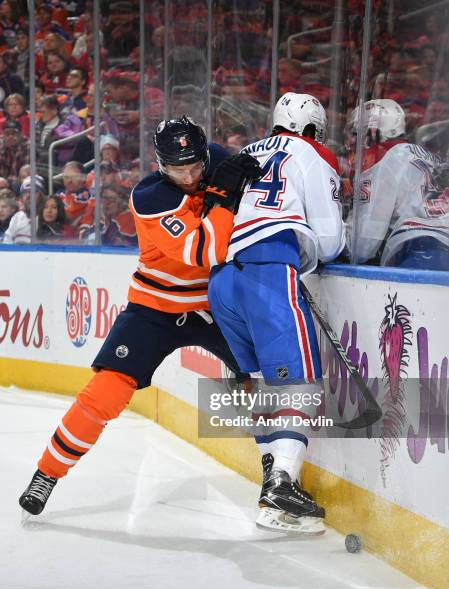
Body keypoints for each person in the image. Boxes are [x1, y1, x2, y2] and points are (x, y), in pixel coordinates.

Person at [19, 115, 261, 516]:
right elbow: (207, 251)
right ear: (160, 165)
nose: (188, 175)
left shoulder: (217, 161)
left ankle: (279, 473)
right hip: (154, 309)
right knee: (105, 393)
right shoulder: (150, 198)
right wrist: (222, 196)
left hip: (212, 307)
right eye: (177, 169)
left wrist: (252, 173)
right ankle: (48, 472)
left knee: (267, 374)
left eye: (195, 166)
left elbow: (250, 173)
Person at [207, 92, 345, 533]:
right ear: (310, 129)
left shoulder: (245, 152)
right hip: (267, 268)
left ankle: (273, 493)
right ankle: (283, 482)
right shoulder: (311, 154)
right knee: (297, 382)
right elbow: (330, 238)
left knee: (263, 386)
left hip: (221, 278)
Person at [346, 99, 449, 269]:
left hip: (419, 253)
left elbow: (362, 246)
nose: (351, 143)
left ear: (370, 133)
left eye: (356, 134)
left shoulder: (384, 160)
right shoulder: (422, 155)